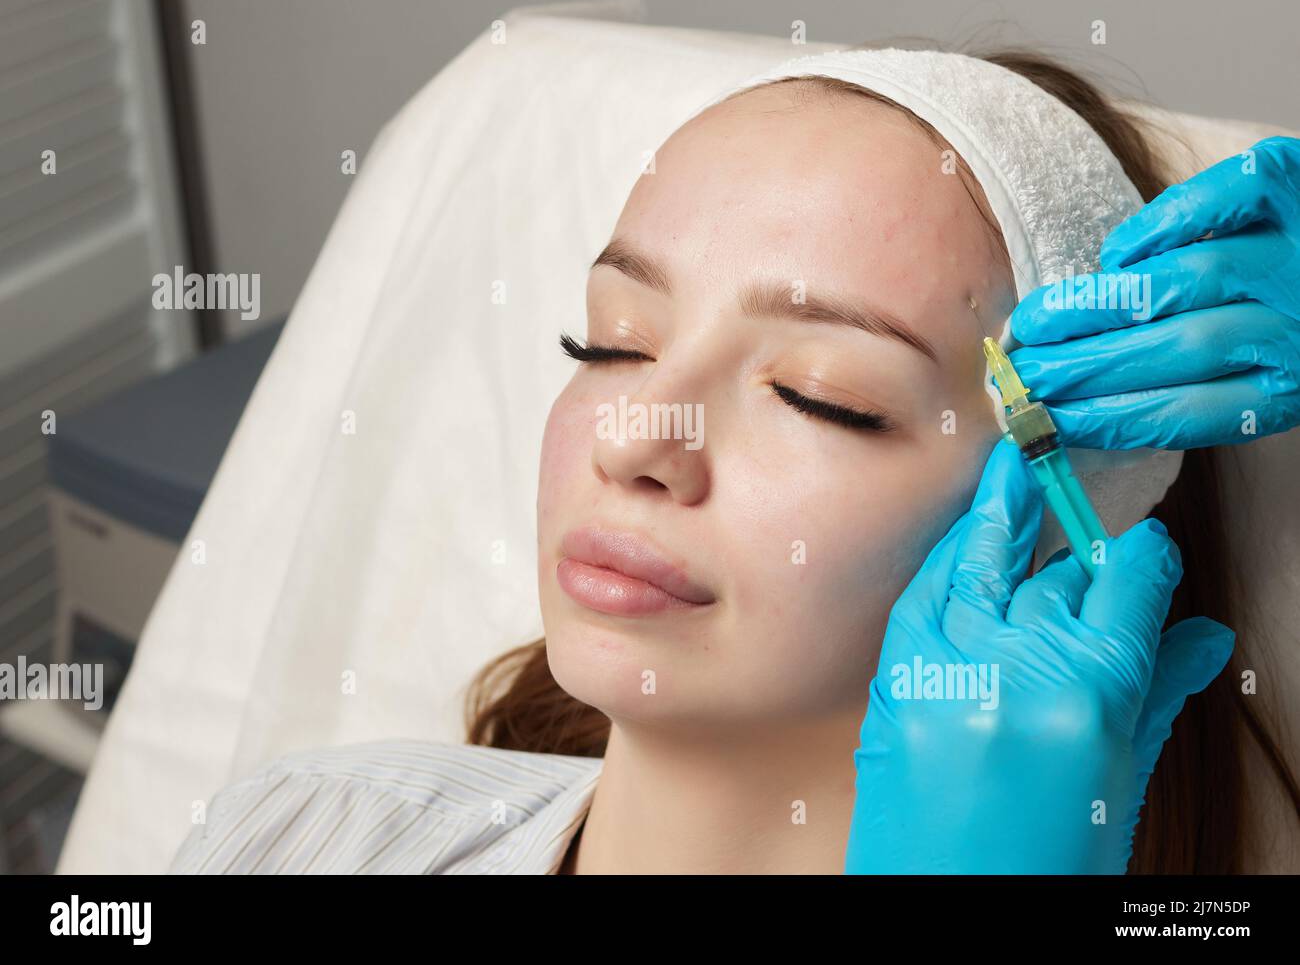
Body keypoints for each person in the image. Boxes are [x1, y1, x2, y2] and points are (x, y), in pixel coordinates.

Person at [168, 48, 1300, 875]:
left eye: (821, 396)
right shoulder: (297, 833)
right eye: (611, 341)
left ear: (1058, 528)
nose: (634, 437)